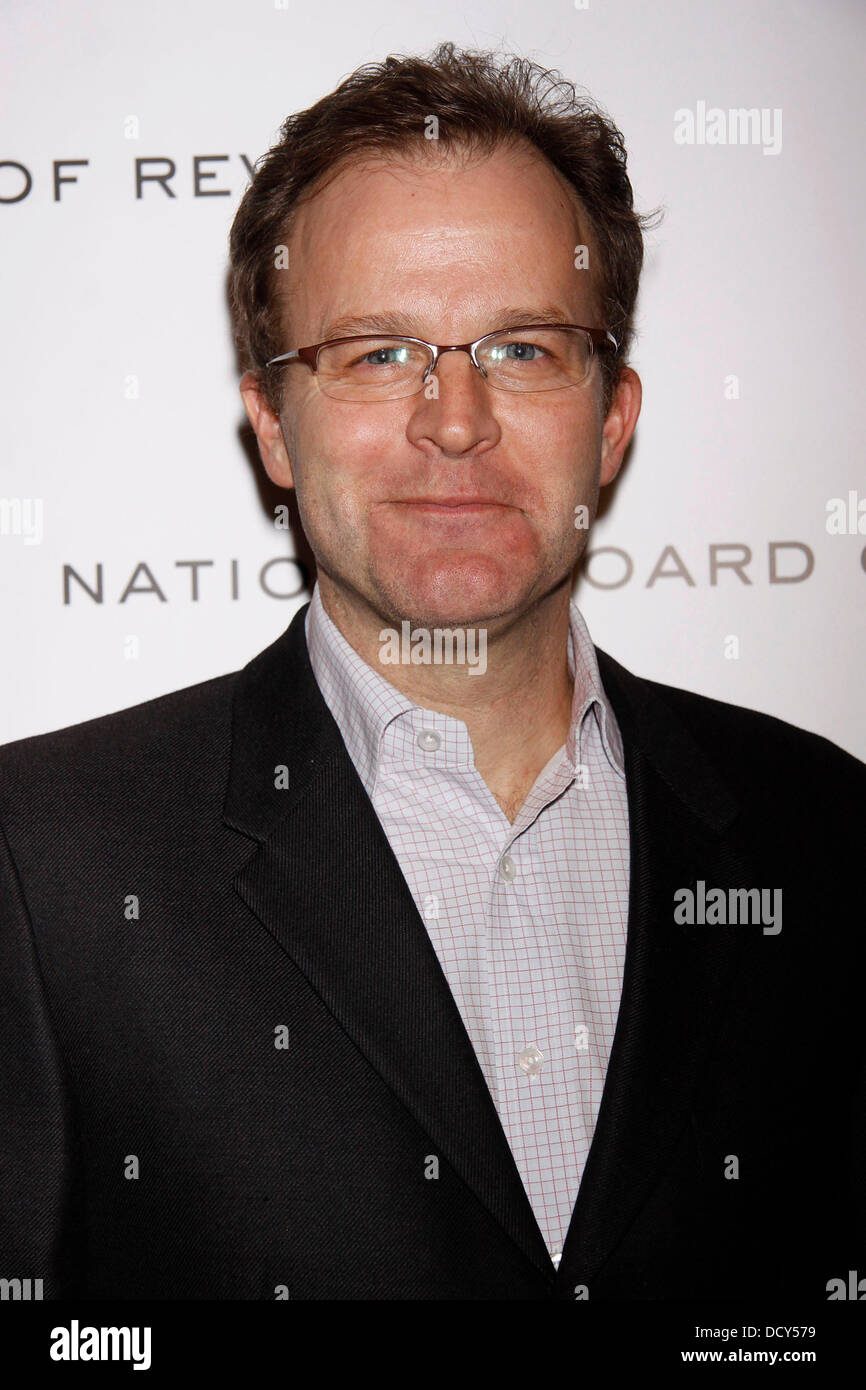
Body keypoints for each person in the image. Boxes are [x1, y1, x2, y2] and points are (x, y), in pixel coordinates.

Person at [1, 43, 863, 1302]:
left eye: (520, 349)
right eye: (374, 353)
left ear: (611, 416)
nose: (453, 421)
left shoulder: (823, 831)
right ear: (271, 427)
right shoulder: (43, 863)